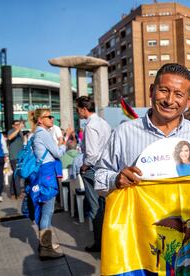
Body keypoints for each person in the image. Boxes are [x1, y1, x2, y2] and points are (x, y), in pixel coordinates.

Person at [95, 62, 190, 197]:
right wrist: (115, 179)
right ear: (152, 91)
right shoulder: (124, 133)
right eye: (163, 90)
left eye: (178, 94)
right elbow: (99, 176)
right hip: (140, 222)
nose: (169, 100)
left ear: (188, 100)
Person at [28, 108, 67, 260]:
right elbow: (57, 153)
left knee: (45, 210)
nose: (52, 119)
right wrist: (63, 144)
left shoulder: (37, 133)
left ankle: (46, 244)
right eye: (49, 117)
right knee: (47, 211)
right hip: (47, 174)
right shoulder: (43, 133)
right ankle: (46, 248)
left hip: (42, 173)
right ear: (40, 120)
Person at [76, 96, 112, 252]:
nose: (77, 112)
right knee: (104, 206)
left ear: (84, 109)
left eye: (78, 109)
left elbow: (91, 154)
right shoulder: (103, 123)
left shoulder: (90, 126)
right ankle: (107, 240)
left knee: (95, 207)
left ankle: (100, 243)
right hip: (105, 167)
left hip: (93, 168)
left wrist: (84, 167)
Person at [7, 120, 25, 198]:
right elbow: (10, 137)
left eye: (19, 124)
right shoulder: (11, 131)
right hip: (14, 156)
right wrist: (18, 129)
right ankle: (18, 193)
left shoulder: (20, 132)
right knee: (17, 174)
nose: (18, 126)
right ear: (13, 125)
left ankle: (12, 192)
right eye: (16, 124)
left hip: (20, 156)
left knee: (17, 173)